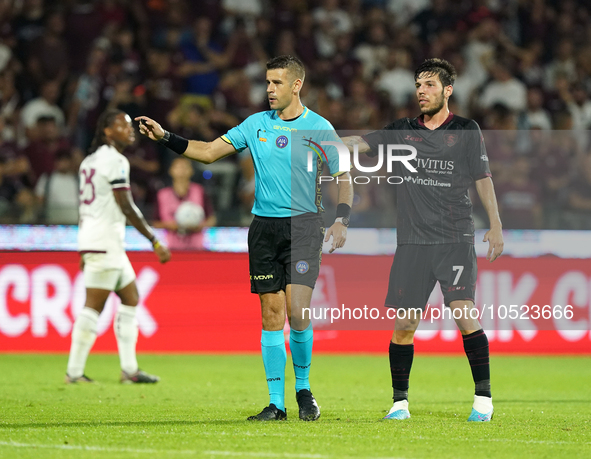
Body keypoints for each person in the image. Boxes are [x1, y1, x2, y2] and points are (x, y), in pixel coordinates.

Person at [137, 55, 353, 421]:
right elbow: (207, 152)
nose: (269, 89)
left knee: (297, 313)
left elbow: (344, 174)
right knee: (271, 314)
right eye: (267, 82)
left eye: (277, 83)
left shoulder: (319, 127)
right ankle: (276, 404)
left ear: (296, 85)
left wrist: (342, 219)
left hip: (303, 228)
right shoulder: (255, 125)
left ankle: (303, 389)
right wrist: (165, 137)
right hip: (264, 229)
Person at [342, 58, 504, 422]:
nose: (421, 91)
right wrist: (321, 143)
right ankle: (400, 403)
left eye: (429, 85)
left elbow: (483, 177)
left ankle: (483, 400)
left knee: (463, 314)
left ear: (448, 90)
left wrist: (495, 223)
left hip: (454, 239)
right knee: (404, 326)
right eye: (418, 85)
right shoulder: (401, 129)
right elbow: (359, 144)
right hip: (412, 243)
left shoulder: (466, 129)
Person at [66, 109, 171, 384]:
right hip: (104, 242)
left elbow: (86, 207)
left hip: (100, 241)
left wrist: (82, 244)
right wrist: (154, 240)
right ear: (107, 131)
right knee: (93, 307)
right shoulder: (116, 161)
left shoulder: (89, 161)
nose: (130, 130)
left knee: (131, 297)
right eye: (123, 126)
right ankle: (74, 373)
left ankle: (129, 370)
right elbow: (126, 206)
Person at [154, 156, 217, 249]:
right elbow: (155, 223)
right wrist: (174, 226)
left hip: (197, 247)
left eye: (185, 167)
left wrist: (198, 226)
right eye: (178, 167)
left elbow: (211, 219)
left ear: (191, 171)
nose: (182, 170)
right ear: (171, 170)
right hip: (170, 246)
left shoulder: (199, 191)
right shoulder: (162, 194)